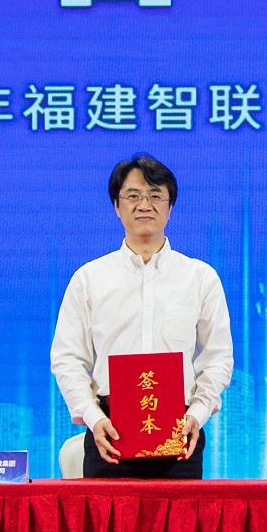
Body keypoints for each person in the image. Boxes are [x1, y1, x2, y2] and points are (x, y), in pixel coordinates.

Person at [49, 155, 233, 479]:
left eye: (155, 195)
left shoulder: (200, 277)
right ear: (117, 206)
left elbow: (218, 357)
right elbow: (67, 358)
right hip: (110, 434)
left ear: (170, 206)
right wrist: (93, 417)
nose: (144, 205)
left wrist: (198, 413)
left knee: (179, 516)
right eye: (133, 195)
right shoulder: (89, 279)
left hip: (180, 433)